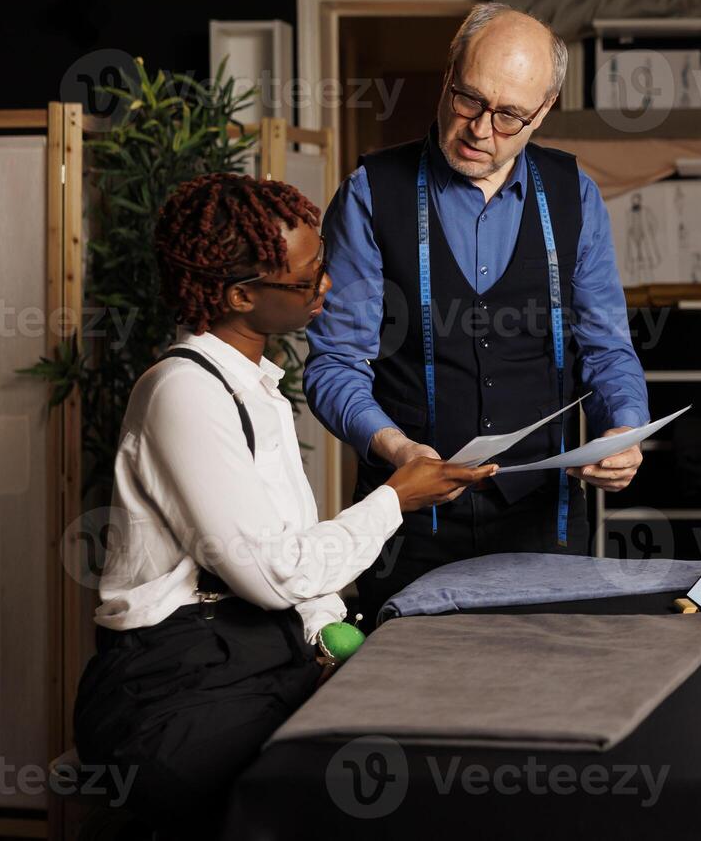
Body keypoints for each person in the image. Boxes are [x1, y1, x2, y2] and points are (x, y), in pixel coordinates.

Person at [73, 173, 495, 833]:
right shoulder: (183, 394)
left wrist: (336, 645)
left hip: (249, 659)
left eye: (321, 267)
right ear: (241, 295)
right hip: (172, 694)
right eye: (305, 281)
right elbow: (273, 575)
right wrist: (394, 498)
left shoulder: (253, 390)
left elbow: (292, 564)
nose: (326, 287)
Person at [306, 3, 650, 619]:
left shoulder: (576, 197)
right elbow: (334, 363)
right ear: (448, 77)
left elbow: (606, 350)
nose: (481, 128)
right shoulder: (369, 193)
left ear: (543, 112)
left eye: (511, 114)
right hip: (406, 530)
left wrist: (624, 428)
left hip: (546, 529)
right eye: (469, 98)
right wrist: (396, 447)